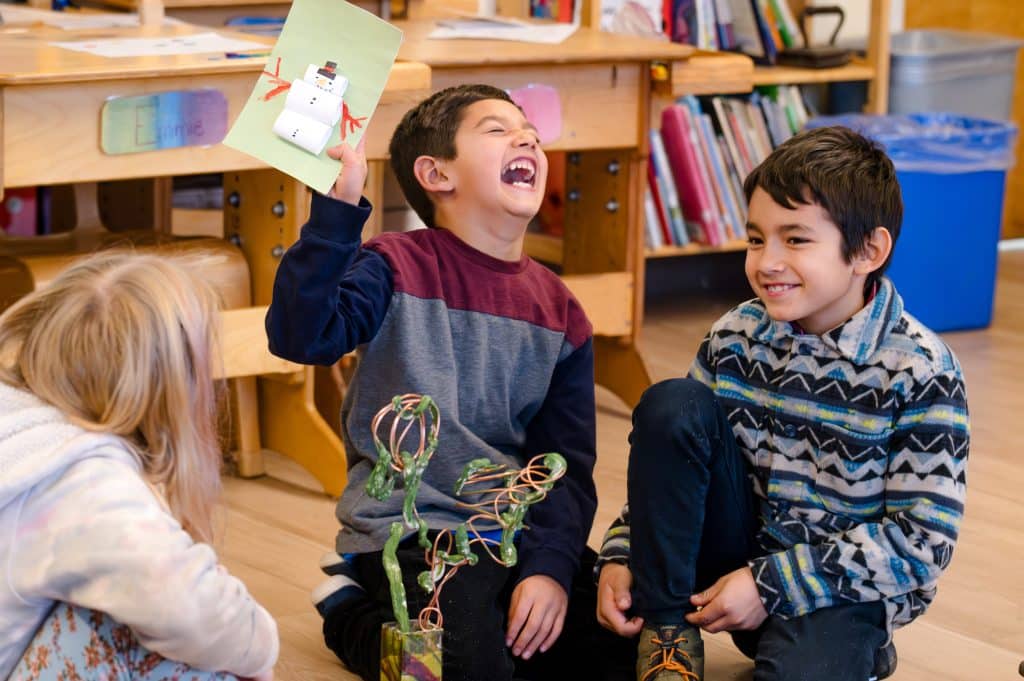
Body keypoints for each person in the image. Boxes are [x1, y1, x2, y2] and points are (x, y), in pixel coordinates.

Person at [266, 83, 633, 681]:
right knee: (464, 668)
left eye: (531, 135)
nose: (527, 140)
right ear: (435, 174)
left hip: (506, 530)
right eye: (496, 129)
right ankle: (350, 611)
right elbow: (301, 337)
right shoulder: (392, 265)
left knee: (622, 650)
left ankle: (472, 624)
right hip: (411, 531)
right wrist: (335, 216)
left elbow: (565, 464)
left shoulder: (561, 311)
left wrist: (548, 570)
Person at [595, 126, 970, 681]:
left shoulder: (921, 370)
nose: (766, 261)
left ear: (868, 250)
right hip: (729, 563)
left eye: (794, 240)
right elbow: (674, 471)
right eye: (755, 239)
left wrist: (771, 586)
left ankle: (859, 650)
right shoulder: (734, 335)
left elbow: (921, 542)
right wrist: (624, 553)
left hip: (837, 592)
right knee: (672, 404)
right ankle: (669, 632)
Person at [0, 252, 278, 681]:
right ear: (174, 392)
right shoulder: (84, 483)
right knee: (145, 631)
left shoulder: (19, 421)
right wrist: (262, 649)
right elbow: (193, 608)